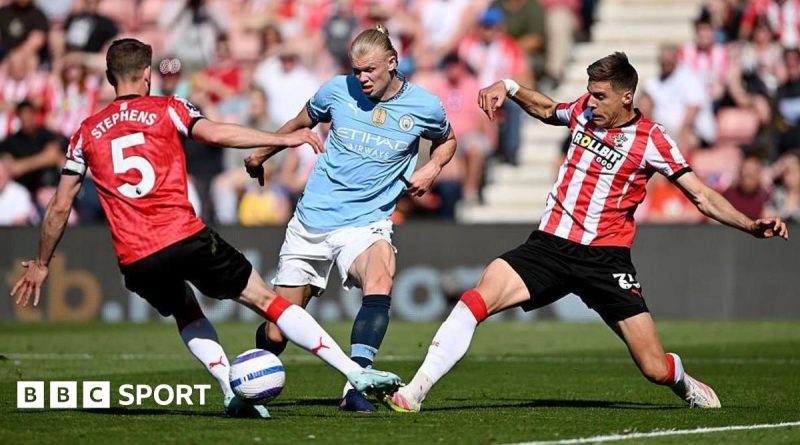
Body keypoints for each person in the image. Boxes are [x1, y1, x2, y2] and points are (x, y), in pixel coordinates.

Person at [10, 38, 401, 419]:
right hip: (183, 235)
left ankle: (230, 390)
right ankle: (355, 372)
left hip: (135, 256)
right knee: (269, 300)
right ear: (147, 74)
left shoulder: (85, 132)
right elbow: (213, 133)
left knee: (184, 310)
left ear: (111, 78)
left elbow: (60, 205)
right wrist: (282, 138)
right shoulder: (169, 107)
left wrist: (43, 262)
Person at [384, 52, 789, 413]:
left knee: (653, 368)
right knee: (476, 299)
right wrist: (508, 87)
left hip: (604, 260)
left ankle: (680, 378)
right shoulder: (583, 111)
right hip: (550, 246)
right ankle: (416, 391)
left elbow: (700, 195)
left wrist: (750, 225)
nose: (590, 102)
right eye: (589, 93)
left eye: (600, 96)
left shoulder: (652, 139)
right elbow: (547, 109)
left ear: (626, 97)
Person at [245, 25, 457, 413]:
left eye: (369, 71)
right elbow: (298, 123)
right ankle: (249, 379)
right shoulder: (335, 91)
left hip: (367, 222)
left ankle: (356, 384)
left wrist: (431, 169)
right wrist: (261, 153)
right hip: (312, 222)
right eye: (356, 70)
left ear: (392, 63)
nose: (361, 78)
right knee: (277, 333)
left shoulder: (424, 106)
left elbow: (448, 140)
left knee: (381, 275)